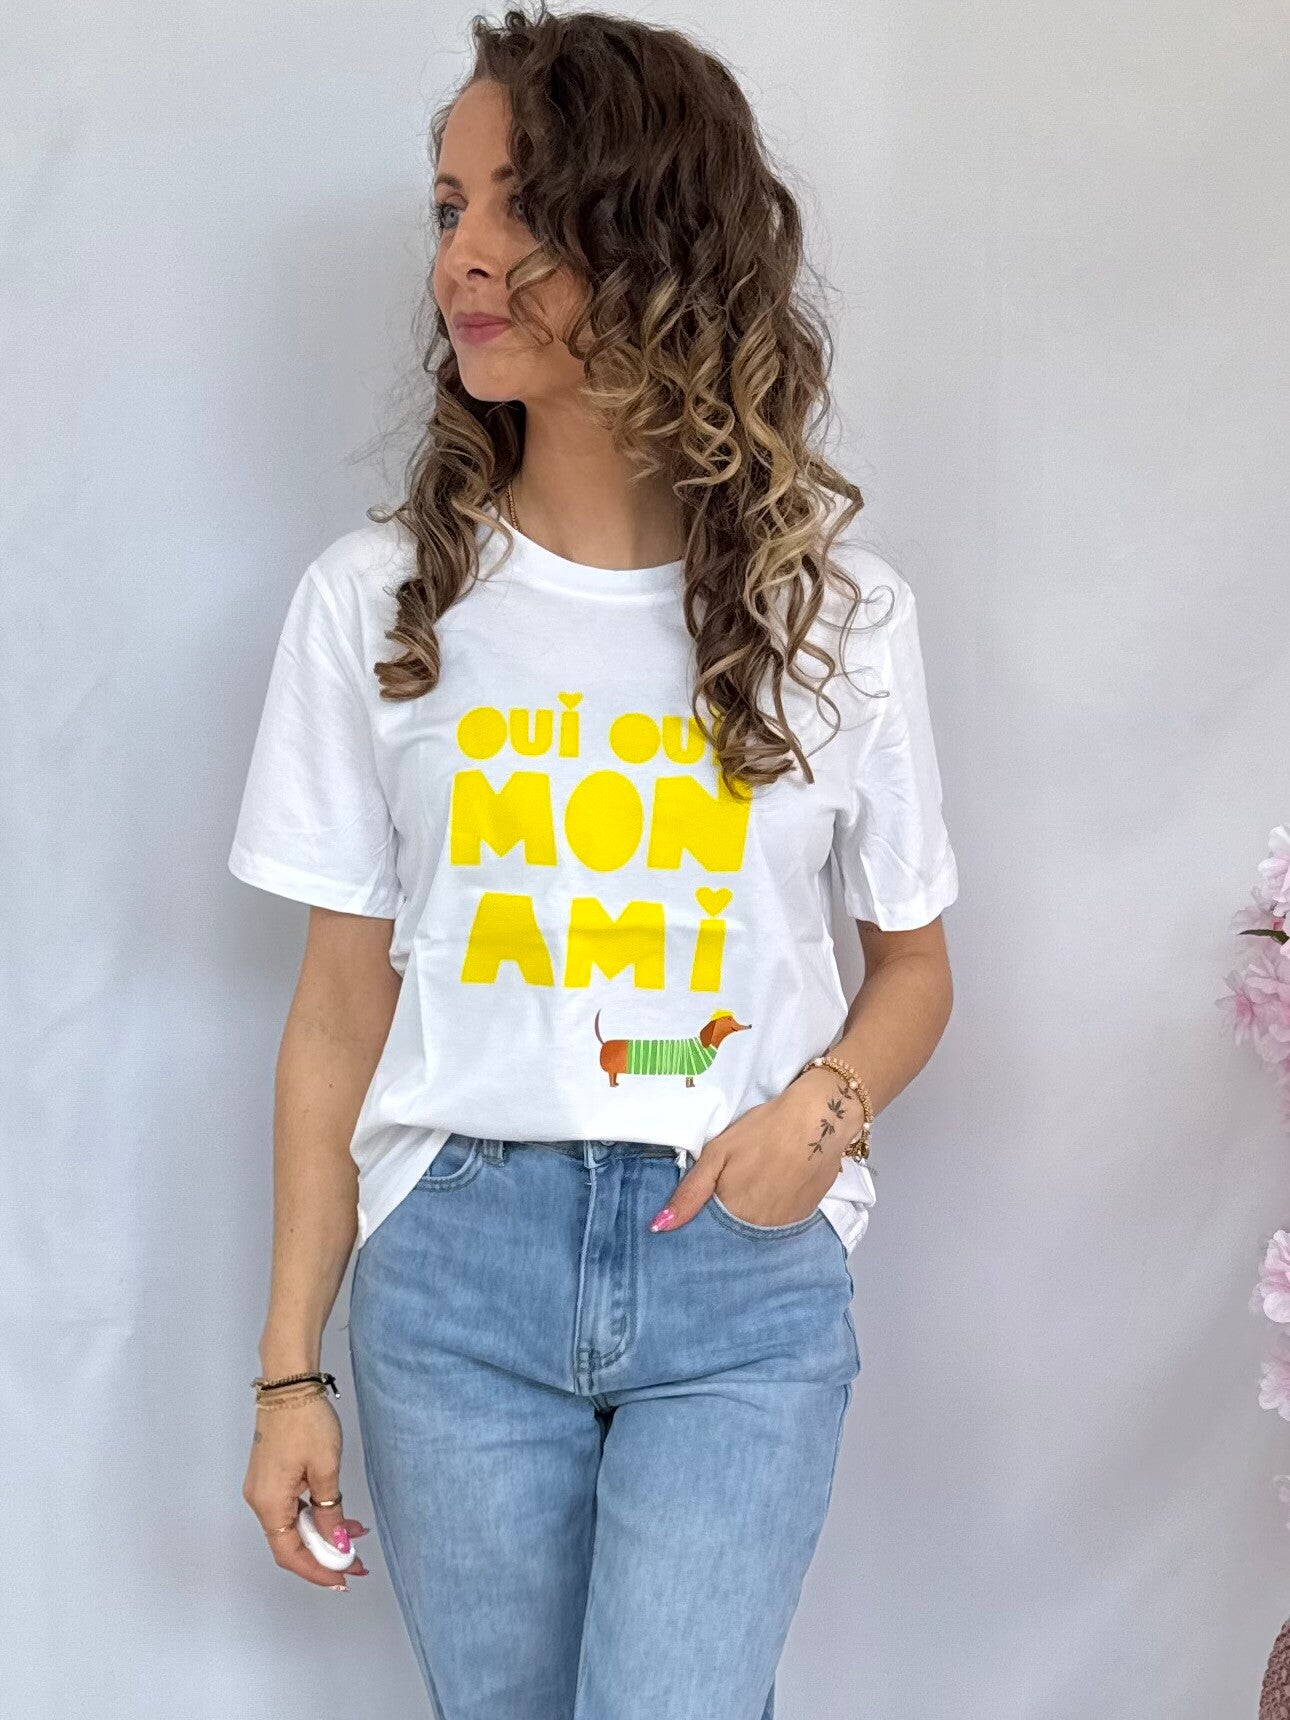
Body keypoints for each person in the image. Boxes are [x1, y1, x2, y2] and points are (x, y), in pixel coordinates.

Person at [230, 7, 959, 1717]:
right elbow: (336, 1011)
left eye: (521, 208)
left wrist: (813, 1123)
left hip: (737, 1264)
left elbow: (914, 968)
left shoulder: (834, 616)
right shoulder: (377, 606)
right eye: (447, 208)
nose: (464, 259)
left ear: (656, 236)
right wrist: (286, 1375)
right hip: (456, 1270)